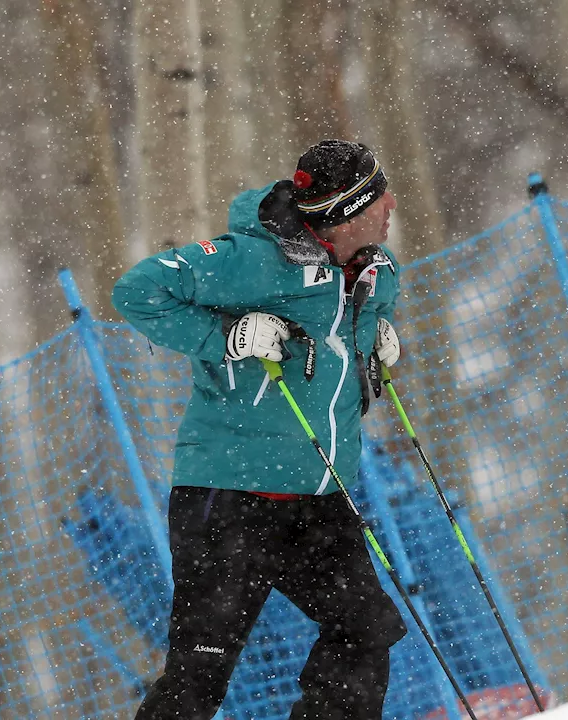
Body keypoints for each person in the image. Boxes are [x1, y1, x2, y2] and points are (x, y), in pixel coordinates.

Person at [113, 139, 409, 718]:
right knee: (200, 672)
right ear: (347, 213)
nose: (392, 204)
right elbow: (138, 291)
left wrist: (375, 337)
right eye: (378, 197)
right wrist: (226, 338)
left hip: (320, 496)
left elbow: (353, 326)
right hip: (228, 496)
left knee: (366, 632)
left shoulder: (376, 270)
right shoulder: (249, 260)